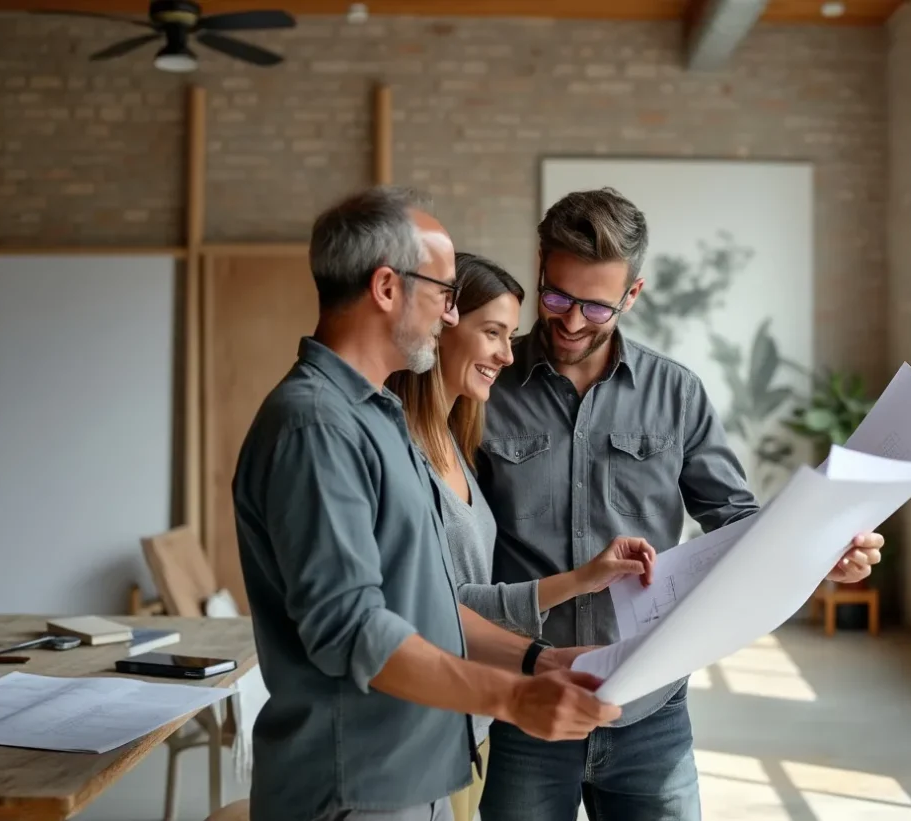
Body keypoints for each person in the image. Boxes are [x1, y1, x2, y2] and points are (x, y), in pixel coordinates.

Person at [475, 187, 885, 821]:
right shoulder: (485, 388)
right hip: (529, 698)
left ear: (632, 296)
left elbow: (735, 520)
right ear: (538, 267)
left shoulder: (676, 394)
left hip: (650, 710)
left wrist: (818, 554)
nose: (572, 321)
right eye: (557, 296)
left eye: (596, 305)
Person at [231, 186, 623, 821]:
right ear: (387, 288)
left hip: (413, 778)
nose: (449, 317)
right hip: (356, 788)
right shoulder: (316, 428)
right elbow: (355, 631)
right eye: (444, 294)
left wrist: (539, 661)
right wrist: (516, 699)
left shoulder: (379, 417)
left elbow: (428, 605)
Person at [386, 251, 657, 821]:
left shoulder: (456, 440)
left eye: (510, 335)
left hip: (468, 725)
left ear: (630, 296)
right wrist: (542, 655)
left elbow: (457, 598)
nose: (508, 355)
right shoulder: (398, 448)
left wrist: (585, 580)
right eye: (493, 333)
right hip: (433, 715)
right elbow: (433, 604)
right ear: (445, 321)